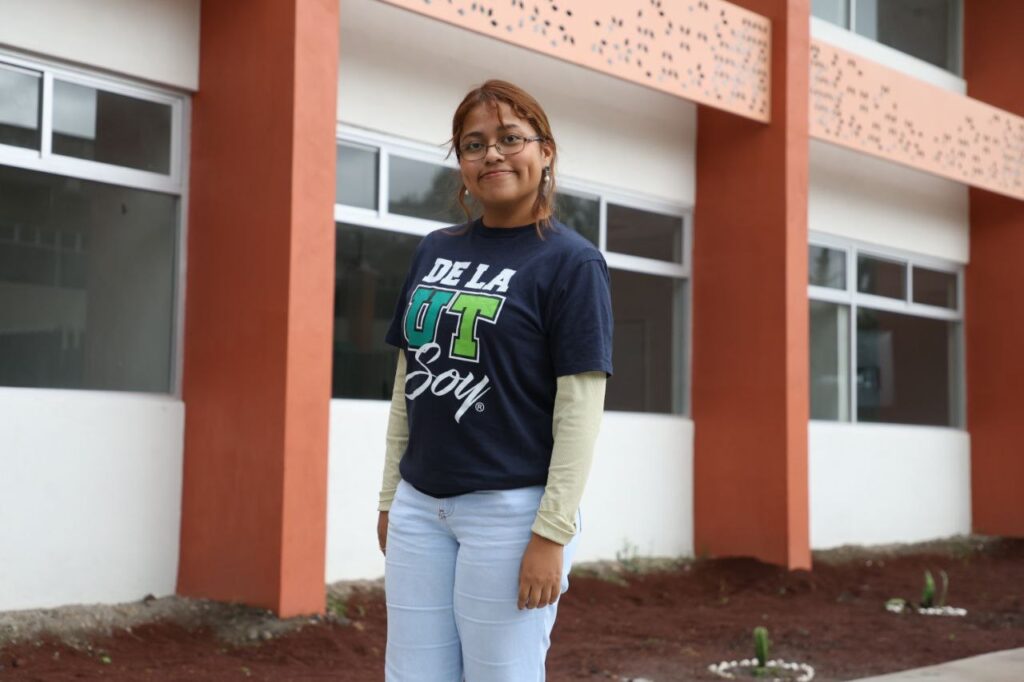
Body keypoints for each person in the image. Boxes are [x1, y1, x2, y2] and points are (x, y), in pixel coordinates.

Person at [376, 79, 613, 681]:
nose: (492, 155)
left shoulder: (571, 262)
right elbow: (408, 383)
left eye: (510, 138)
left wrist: (552, 533)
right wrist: (390, 499)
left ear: (546, 151)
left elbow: (580, 410)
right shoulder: (434, 249)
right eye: (474, 144)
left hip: (511, 515)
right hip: (419, 507)